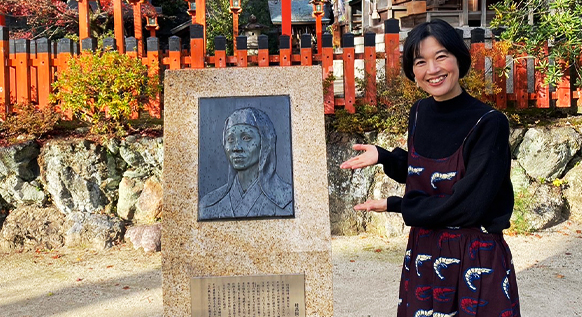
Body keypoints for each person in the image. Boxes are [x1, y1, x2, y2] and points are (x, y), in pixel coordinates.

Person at [340, 19, 520, 316]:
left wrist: (397, 205)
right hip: (424, 250)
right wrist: (385, 156)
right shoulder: (420, 112)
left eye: (441, 57)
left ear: (458, 59)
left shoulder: (489, 123)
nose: (432, 70)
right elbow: (427, 171)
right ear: (413, 71)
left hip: (474, 255)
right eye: (420, 61)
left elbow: (468, 205)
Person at [199, 107, 294, 220]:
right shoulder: (208, 205)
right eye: (230, 140)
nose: (236, 148)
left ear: (265, 143)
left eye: (246, 138)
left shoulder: (288, 200)